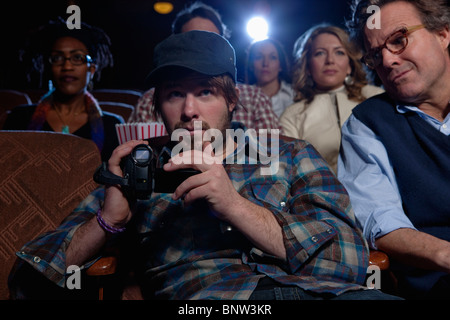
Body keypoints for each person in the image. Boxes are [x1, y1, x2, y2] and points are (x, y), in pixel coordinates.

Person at [8, 30, 399, 300]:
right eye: (175, 94)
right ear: (158, 105)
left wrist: (235, 206)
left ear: (232, 100)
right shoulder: (140, 172)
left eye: (206, 91)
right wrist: (109, 222)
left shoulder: (289, 153)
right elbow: (29, 280)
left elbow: (351, 261)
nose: (190, 111)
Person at [338, 0, 450, 299]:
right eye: (376, 55)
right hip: (436, 280)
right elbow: (382, 223)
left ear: (443, 33)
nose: (387, 61)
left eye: (398, 41)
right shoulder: (366, 123)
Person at [128, 1, 281, 132]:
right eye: (193, 41)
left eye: (210, 42)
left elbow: (273, 155)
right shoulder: (150, 100)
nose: (189, 110)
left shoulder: (254, 97)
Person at [3, 17, 123, 161]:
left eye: (77, 57)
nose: (67, 66)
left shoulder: (112, 126)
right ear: (48, 68)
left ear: (91, 70)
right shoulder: (19, 118)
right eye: (57, 58)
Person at [279, 24, 383, 173]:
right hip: (320, 193)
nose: (330, 60)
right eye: (320, 53)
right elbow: (285, 170)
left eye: (339, 52)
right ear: (307, 66)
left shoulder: (376, 97)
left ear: (349, 65)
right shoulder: (292, 115)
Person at [245, 38, 295, 117]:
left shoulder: (294, 95)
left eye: (272, 57)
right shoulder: (242, 99)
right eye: (259, 57)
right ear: (251, 65)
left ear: (280, 65)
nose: (265, 63)